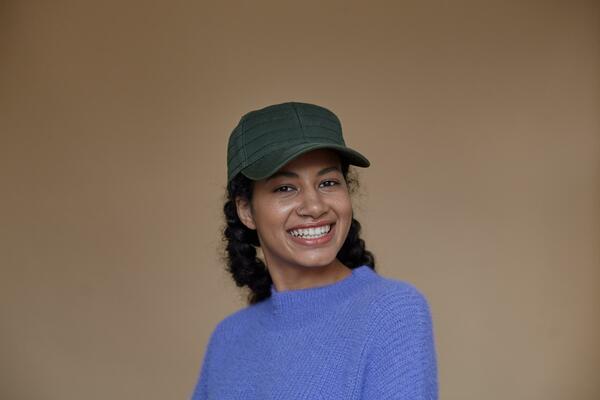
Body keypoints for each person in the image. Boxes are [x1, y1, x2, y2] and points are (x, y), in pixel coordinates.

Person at [191, 101, 438, 399]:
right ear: (246, 211)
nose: (315, 206)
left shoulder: (391, 311)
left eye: (328, 183)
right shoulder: (228, 340)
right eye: (285, 188)